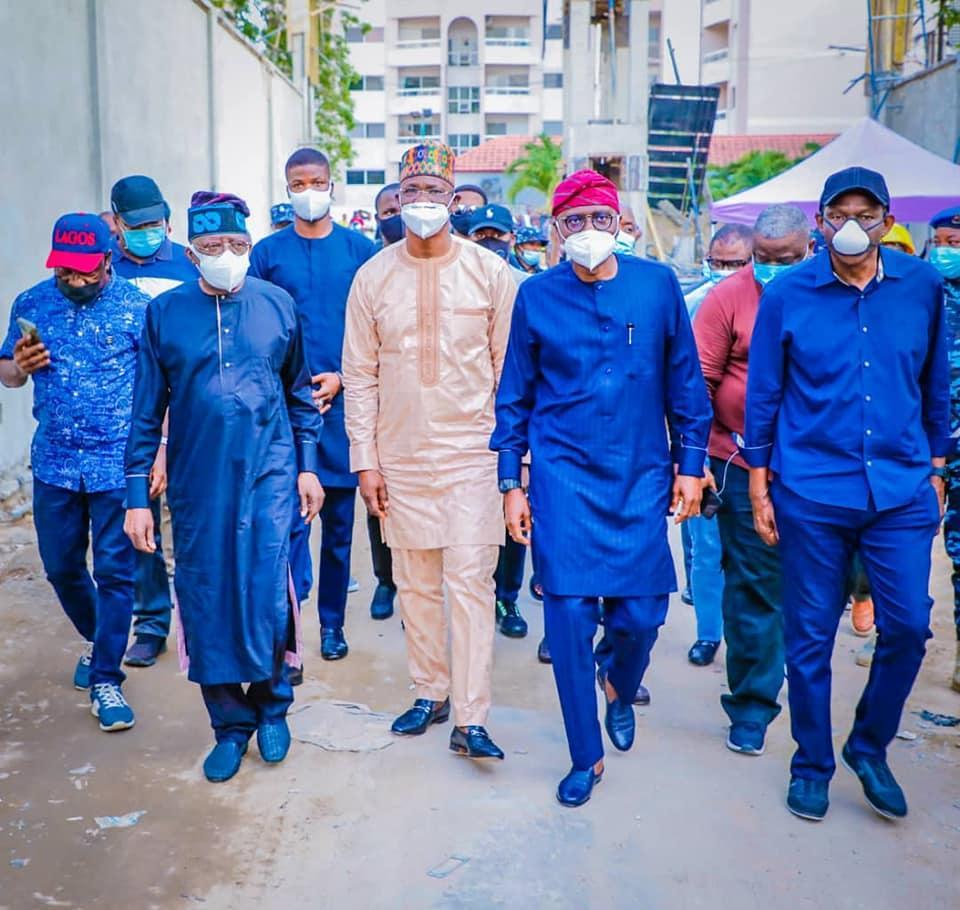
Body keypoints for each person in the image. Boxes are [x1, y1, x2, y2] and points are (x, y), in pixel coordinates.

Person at [491, 170, 712, 806]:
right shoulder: (537, 296)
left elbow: (686, 390)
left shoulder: (657, 286)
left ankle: (618, 681)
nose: (587, 233)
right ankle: (584, 757)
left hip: (642, 474)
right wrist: (513, 482)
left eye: (599, 220)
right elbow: (514, 400)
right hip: (562, 478)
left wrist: (691, 466)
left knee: (643, 613)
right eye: (573, 223)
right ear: (556, 233)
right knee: (565, 619)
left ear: (620, 226)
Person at [745, 167, 949, 822]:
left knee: (911, 626)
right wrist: (758, 481)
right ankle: (811, 765)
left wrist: (938, 468)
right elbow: (765, 394)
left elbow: (935, 382)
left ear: (889, 220)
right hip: (812, 488)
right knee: (808, 637)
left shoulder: (921, 286)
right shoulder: (791, 293)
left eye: (867, 212)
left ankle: (870, 745)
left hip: (900, 485)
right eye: (840, 213)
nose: (853, 225)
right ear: (821, 221)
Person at [124, 191, 324, 782]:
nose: (227, 255)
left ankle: (272, 706)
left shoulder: (277, 305)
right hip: (197, 482)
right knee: (207, 596)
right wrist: (138, 498)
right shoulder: (165, 316)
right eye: (213, 247)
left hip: (271, 473)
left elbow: (300, 395)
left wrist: (308, 466)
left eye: (238, 245)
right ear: (191, 253)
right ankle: (228, 724)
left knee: (266, 589)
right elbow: (144, 413)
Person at [342, 142, 516, 760]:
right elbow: (358, 376)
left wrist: (512, 463)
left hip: (473, 452)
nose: (421, 202)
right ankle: (429, 692)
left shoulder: (491, 274)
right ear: (398, 196)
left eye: (433, 192)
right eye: (410, 191)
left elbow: (510, 374)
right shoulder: (372, 276)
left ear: (454, 198)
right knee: (415, 584)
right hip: (401, 456)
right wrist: (365, 458)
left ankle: (471, 718)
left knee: (470, 581)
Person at [0, 213, 150, 732]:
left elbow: (160, 390)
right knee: (61, 566)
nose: (78, 281)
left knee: (114, 573)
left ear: (110, 259)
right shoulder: (32, 303)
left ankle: (107, 676)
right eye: (67, 272)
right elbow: (8, 376)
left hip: (117, 464)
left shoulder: (138, 309)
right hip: (55, 463)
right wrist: (19, 364)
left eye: (88, 271)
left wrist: (158, 457)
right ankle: (101, 638)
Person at [694, 203, 812, 756]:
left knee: (811, 584)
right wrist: (693, 462)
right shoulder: (728, 298)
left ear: (809, 250)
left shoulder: (832, 292)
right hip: (740, 462)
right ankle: (753, 705)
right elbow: (698, 381)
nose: (773, 269)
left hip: (821, 466)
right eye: (763, 260)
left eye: (785, 259)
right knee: (754, 585)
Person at [249, 149, 376, 663]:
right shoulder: (266, 253)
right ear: (286, 188)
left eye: (317, 182)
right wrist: (292, 386)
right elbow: (254, 328)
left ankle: (331, 625)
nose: (308, 191)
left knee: (340, 534)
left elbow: (376, 329)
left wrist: (343, 378)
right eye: (297, 183)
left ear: (332, 185)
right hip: (283, 414)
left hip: (343, 411)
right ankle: (288, 632)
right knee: (288, 532)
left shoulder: (360, 251)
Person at [110, 174, 197, 669]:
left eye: (157, 222)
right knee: (141, 525)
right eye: (138, 224)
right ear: (117, 223)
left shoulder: (188, 265)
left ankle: (198, 618)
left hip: (184, 418)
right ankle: (151, 624)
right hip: (129, 419)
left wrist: (168, 435)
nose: (150, 231)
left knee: (188, 523)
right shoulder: (107, 271)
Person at [465, 204, 530, 640]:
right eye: (481, 234)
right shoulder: (458, 283)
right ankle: (470, 597)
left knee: (514, 506)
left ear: (512, 239)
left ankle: (508, 596)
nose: (491, 241)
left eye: (498, 234)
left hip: (517, 414)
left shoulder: (531, 287)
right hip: (468, 419)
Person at [362, 181, 404, 620]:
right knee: (381, 504)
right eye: (387, 210)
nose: (395, 215)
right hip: (383, 409)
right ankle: (385, 581)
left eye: (400, 206)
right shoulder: (370, 267)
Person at [929, 205, 960, 693]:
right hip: (922, 446)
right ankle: (898, 631)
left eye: (953, 245)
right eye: (940, 243)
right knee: (901, 546)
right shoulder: (923, 294)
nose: (945, 252)